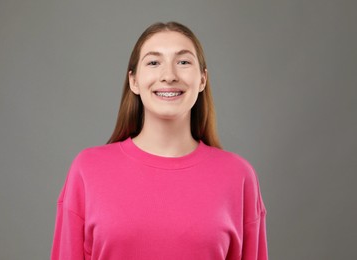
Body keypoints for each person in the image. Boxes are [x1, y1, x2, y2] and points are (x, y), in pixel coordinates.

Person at [51, 21, 268, 260]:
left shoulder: (239, 177)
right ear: (134, 81)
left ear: (202, 80)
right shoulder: (88, 169)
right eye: (154, 62)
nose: (169, 76)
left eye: (183, 62)